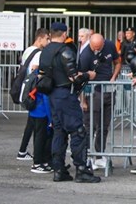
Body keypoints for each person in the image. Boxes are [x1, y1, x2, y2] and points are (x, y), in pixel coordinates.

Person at [37, 22, 100, 183]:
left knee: (59, 131)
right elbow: (74, 77)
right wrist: (88, 75)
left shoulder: (45, 52)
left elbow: (42, 74)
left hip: (52, 96)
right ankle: (81, 170)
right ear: (64, 34)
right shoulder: (65, 51)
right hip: (65, 95)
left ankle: (59, 170)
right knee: (78, 131)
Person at [79, 33, 121, 170]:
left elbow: (118, 62)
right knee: (90, 126)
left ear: (103, 43)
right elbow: (80, 79)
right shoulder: (85, 55)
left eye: (99, 47)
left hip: (109, 89)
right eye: (94, 48)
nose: (96, 50)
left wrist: (114, 77)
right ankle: (85, 155)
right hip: (93, 92)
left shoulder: (109, 45)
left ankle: (99, 154)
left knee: (104, 125)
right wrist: (83, 101)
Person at [24, 28, 53, 173]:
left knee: (38, 136)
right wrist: (51, 117)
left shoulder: (36, 73)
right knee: (40, 137)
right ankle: (37, 163)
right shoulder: (44, 78)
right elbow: (46, 97)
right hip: (41, 110)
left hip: (34, 108)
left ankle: (40, 161)